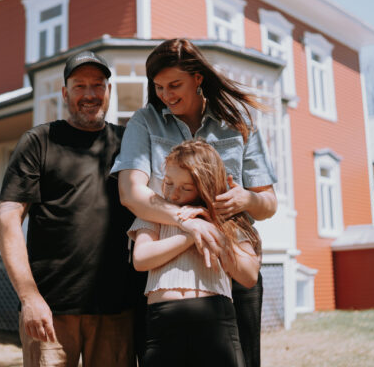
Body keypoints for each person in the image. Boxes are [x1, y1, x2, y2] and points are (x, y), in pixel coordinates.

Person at [112, 38, 278, 367]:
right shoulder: (145, 121)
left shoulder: (238, 123)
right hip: (164, 277)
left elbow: (268, 203)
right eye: (158, 87)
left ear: (198, 78)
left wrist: (246, 198)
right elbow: (130, 193)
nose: (166, 95)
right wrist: (190, 221)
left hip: (231, 271)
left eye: (175, 85)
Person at [0, 50, 142, 367]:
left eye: (98, 85)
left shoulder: (128, 142)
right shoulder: (39, 141)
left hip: (117, 311)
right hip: (50, 312)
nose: (89, 94)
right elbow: (6, 220)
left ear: (109, 91)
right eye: (79, 86)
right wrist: (29, 298)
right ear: (65, 93)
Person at [130, 139, 261, 367]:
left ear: (205, 186)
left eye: (186, 188)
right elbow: (141, 259)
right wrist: (190, 233)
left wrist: (215, 234)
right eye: (168, 183)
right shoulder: (154, 211)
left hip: (216, 321)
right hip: (163, 323)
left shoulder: (224, 217)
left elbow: (249, 276)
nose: (173, 194)